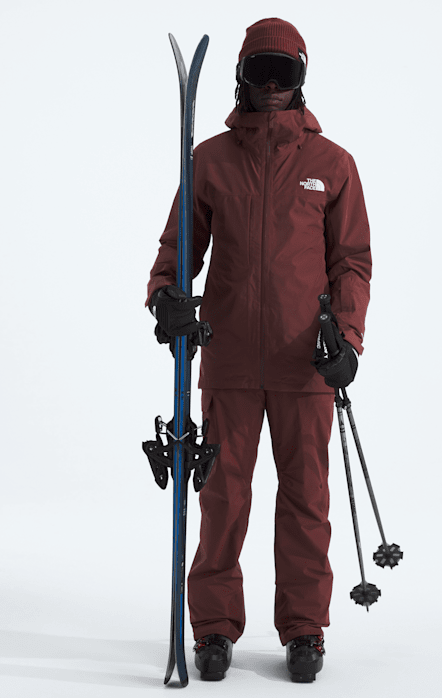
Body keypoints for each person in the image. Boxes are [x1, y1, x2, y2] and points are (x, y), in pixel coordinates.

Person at [146, 17, 372, 683]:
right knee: (222, 500)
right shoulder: (211, 160)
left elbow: (352, 262)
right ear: (242, 77)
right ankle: (213, 626)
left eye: (285, 72)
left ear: (301, 79)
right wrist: (166, 298)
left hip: (307, 363)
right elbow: (176, 251)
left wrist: (348, 339)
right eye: (260, 71)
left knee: (306, 500)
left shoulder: (332, 165)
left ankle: (304, 629)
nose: (272, 85)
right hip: (230, 360)